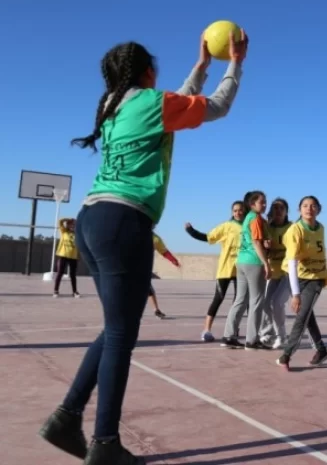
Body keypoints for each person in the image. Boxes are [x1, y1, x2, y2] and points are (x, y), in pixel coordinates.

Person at [39, 30, 248, 464]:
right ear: (148, 71)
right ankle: (105, 444)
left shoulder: (114, 107)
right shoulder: (154, 104)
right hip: (122, 222)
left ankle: (65, 419)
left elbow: (178, 102)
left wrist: (201, 66)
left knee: (114, 328)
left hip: (91, 219)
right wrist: (234, 62)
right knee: (121, 334)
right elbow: (218, 106)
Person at [276, 196, 327, 371]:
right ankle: (321, 350)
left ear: (319, 209)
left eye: (313, 206)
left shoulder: (320, 228)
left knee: (302, 317)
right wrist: (296, 294)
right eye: (305, 206)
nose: (309, 209)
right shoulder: (295, 230)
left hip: (316, 278)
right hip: (296, 276)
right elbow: (292, 261)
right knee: (306, 314)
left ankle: (286, 355)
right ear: (299, 210)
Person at [185, 200, 244, 342]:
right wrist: (191, 231)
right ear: (232, 212)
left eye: (240, 210)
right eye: (235, 210)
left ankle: (233, 329)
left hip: (242, 270)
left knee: (239, 302)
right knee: (218, 299)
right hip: (225, 269)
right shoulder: (226, 226)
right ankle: (206, 330)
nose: (237, 212)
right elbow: (208, 237)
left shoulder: (249, 226)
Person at [221, 191, 271, 349]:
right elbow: (256, 242)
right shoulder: (255, 218)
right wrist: (266, 263)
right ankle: (252, 340)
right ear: (252, 204)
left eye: (265, 202)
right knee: (256, 301)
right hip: (254, 262)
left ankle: (228, 336)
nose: (264, 204)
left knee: (240, 299)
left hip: (241, 261)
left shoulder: (247, 219)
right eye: (261, 202)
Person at [259, 198, 293, 349]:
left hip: (289, 272)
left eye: (281, 208)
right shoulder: (267, 228)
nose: (278, 211)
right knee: (266, 304)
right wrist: (265, 247)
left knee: (277, 302)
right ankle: (268, 334)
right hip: (273, 271)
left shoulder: (292, 228)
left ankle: (282, 336)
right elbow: (260, 248)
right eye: (275, 208)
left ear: (286, 212)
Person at [147, 233, 181, 319]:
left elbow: (164, 251)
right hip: (127, 266)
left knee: (150, 290)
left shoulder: (155, 239)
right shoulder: (132, 232)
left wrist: (173, 260)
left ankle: (156, 310)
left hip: (143, 269)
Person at [53, 218, 81, 298]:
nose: (72, 226)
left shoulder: (77, 234)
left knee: (73, 275)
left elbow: (78, 246)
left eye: (74, 225)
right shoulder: (64, 231)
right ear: (68, 225)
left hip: (73, 256)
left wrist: (78, 256)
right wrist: (69, 219)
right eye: (70, 224)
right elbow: (60, 221)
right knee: (60, 273)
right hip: (63, 255)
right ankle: (56, 290)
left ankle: (75, 292)